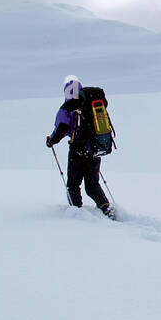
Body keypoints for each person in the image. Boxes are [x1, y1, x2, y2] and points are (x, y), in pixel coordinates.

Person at [46, 75, 115, 219]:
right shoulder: (91, 105)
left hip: (77, 151)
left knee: (73, 185)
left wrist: (51, 141)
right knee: (92, 185)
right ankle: (107, 210)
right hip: (94, 149)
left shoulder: (67, 108)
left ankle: (77, 214)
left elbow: (61, 129)